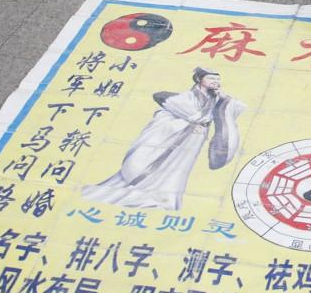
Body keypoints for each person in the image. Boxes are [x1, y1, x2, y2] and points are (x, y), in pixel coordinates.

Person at [80, 68, 246, 210]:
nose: (215, 81)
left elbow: (230, 110)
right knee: (149, 172)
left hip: (189, 144)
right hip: (169, 139)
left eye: (217, 78)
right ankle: (146, 194)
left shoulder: (215, 99)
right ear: (199, 79)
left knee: (177, 172)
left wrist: (223, 101)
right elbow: (171, 102)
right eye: (211, 78)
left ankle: (167, 199)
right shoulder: (185, 98)